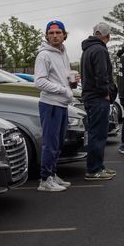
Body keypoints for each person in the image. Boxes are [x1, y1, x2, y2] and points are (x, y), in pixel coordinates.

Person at [32, 20, 76, 191]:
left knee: (58, 143)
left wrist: (72, 81)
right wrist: (62, 90)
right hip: (50, 104)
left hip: (62, 104)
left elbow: (61, 76)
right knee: (50, 143)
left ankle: (52, 173)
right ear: (47, 36)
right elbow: (39, 82)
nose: (55, 36)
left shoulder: (63, 53)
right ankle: (45, 180)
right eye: (51, 33)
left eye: (58, 33)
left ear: (64, 35)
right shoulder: (44, 55)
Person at [80, 22, 117, 180]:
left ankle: (98, 166)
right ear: (107, 36)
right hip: (98, 98)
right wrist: (105, 93)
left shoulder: (87, 49)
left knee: (95, 133)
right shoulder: (100, 50)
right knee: (98, 134)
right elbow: (101, 74)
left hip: (90, 96)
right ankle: (94, 169)